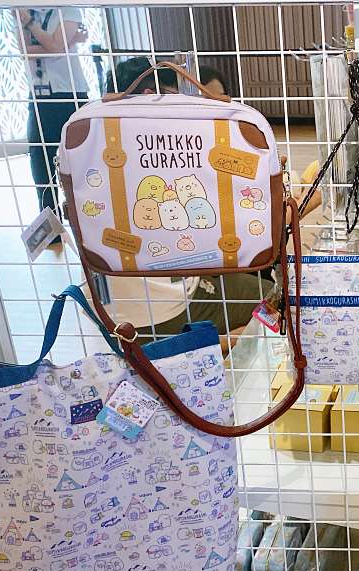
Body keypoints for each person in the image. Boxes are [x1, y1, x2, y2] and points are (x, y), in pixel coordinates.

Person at [101, 57, 271, 353]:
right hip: (171, 306)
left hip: (114, 318)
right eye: (174, 95)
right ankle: (216, 344)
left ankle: (203, 345)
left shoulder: (99, 143)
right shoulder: (170, 151)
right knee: (280, 298)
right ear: (149, 96)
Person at [18, 8, 89, 214]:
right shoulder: (22, 11)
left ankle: (87, 213)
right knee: (39, 158)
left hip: (71, 93)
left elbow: (57, 47)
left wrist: (30, 24)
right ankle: (50, 218)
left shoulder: (67, 9)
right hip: (39, 95)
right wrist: (63, 43)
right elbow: (24, 51)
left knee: (81, 156)